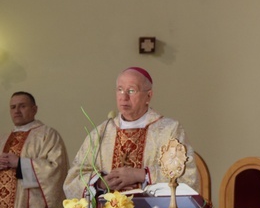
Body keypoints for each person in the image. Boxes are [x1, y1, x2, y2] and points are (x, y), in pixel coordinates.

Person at [64, 67, 199, 199]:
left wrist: (141, 175)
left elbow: (187, 177)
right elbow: (73, 180)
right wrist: (101, 183)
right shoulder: (101, 133)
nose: (124, 97)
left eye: (132, 90)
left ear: (148, 96)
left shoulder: (169, 130)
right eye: (120, 90)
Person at [0, 92, 68, 208]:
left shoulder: (47, 135)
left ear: (34, 109)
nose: (17, 111)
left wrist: (20, 164)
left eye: (22, 106)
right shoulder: (2, 139)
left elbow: (56, 170)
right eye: (13, 107)